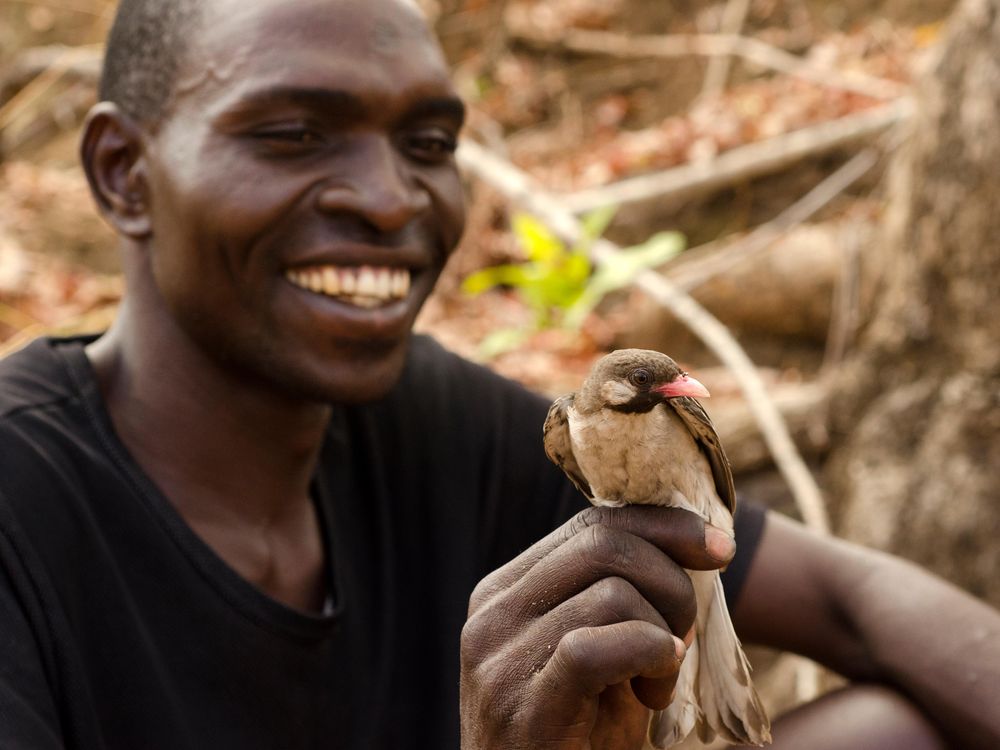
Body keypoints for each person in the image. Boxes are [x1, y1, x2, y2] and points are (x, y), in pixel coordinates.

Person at [0, 0, 998, 748]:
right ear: (123, 173)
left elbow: (849, 601)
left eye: (428, 142)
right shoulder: (24, 508)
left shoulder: (429, 422)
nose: (392, 199)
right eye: (292, 134)